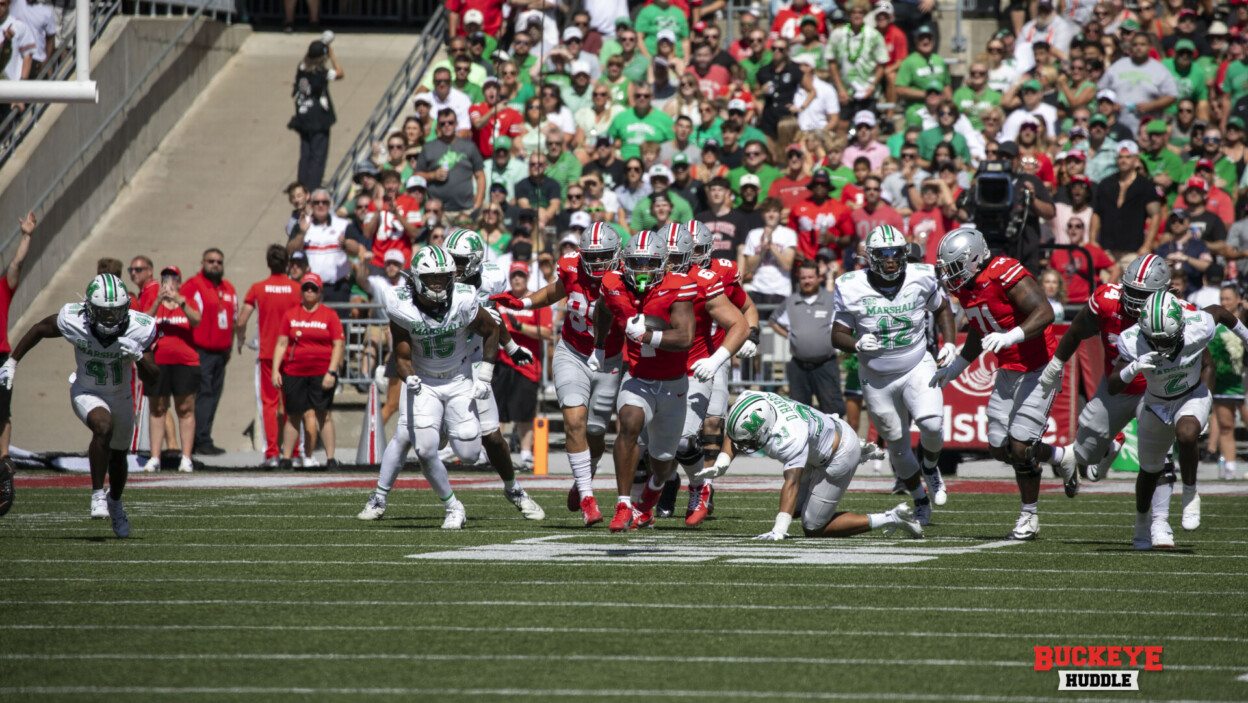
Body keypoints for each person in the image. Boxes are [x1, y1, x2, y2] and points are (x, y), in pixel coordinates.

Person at [929, 227, 1075, 541]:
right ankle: (1061, 456)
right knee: (999, 448)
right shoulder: (967, 288)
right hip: (1008, 368)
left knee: (1021, 446)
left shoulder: (1003, 273)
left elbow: (1044, 311)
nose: (950, 276)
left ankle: (1029, 518)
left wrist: (1011, 336)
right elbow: (981, 332)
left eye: (954, 267)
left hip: (1040, 366)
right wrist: (954, 370)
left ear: (974, 259)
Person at [355, 246, 501, 528]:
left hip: (458, 378)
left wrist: (485, 374)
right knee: (421, 447)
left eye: (443, 277)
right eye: (431, 278)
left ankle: (444, 425)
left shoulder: (463, 298)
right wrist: (408, 376)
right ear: (418, 278)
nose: (438, 283)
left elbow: (492, 329)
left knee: (470, 455)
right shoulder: (401, 304)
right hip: (425, 381)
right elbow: (401, 352)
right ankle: (452, 506)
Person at [2, 274, 158, 536]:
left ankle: (115, 502)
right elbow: (40, 328)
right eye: (103, 313)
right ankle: (98, 494)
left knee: (119, 456)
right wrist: (13, 361)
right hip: (87, 390)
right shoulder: (74, 319)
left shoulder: (139, 327)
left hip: (120, 396)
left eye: (115, 312)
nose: (109, 319)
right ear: (89, 308)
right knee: (103, 426)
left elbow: (154, 377)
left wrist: (140, 356)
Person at [492, 223, 626, 525]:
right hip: (573, 351)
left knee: (595, 432)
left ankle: (583, 477)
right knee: (573, 420)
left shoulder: (625, 276)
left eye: (603, 255)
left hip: (610, 358)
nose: (596, 262)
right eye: (591, 255)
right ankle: (588, 499)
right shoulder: (571, 266)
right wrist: (522, 303)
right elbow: (557, 291)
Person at [832, 225, 957, 522]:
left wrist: (949, 341)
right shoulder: (849, 285)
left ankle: (930, 466)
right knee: (897, 446)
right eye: (883, 254)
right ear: (870, 257)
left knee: (931, 423)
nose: (890, 259)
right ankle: (919, 500)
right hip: (876, 377)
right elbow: (837, 335)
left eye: (896, 253)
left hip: (916, 364)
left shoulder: (922, 276)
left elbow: (942, 310)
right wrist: (857, 342)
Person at [1110, 292, 1248, 547]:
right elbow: (1112, 386)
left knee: (1186, 434)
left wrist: (1245, 336)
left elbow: (1220, 311)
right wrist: (1133, 367)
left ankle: (1190, 492)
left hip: (1192, 393)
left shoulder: (1198, 325)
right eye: (1155, 340)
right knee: (1150, 470)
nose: (1162, 346)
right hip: (1156, 401)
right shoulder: (1132, 341)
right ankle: (1142, 520)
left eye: (1167, 339)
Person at [701, 390, 922, 540]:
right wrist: (723, 461)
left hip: (838, 455)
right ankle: (859, 449)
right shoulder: (753, 399)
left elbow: (792, 482)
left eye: (750, 440)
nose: (743, 445)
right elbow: (735, 431)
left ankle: (892, 517)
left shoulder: (788, 437)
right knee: (796, 509)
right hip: (822, 435)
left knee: (813, 527)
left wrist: (780, 528)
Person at [593, 232, 697, 532]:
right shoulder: (613, 283)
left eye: (648, 262)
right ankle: (624, 504)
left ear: (663, 263)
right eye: (635, 262)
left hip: (673, 384)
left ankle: (652, 491)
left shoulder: (677, 286)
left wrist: (649, 336)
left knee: (663, 462)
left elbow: (685, 337)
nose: (640, 269)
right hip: (638, 377)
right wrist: (600, 346)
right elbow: (602, 308)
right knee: (628, 424)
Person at [1041, 255, 1168, 492]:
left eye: (1144, 295)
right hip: (1115, 386)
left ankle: (1157, 521)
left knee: (1157, 458)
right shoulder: (1106, 300)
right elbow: (1076, 331)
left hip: (1155, 389)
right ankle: (1112, 445)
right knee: (1084, 454)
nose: (1137, 300)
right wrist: (1055, 365)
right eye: (1132, 291)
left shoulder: (1170, 310)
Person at [443, 229, 545, 518]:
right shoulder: (438, 280)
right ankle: (380, 495)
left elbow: (492, 324)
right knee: (413, 439)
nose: (453, 266)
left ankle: (512, 487)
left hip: (475, 361)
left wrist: (511, 348)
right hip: (439, 364)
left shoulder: (491, 279)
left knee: (490, 437)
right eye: (450, 258)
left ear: (475, 261)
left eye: (460, 260)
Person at [659, 224, 749, 526]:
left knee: (708, 425)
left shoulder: (715, 275)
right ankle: (668, 484)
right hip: (665, 360)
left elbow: (744, 310)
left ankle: (704, 487)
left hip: (709, 357)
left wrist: (753, 336)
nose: (687, 257)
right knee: (649, 439)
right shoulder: (654, 274)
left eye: (697, 250)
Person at [236, 245, 303, 467]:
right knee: (293, 403)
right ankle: (294, 452)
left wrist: (240, 339)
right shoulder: (297, 288)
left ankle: (272, 452)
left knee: (269, 403)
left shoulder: (258, 288)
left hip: (267, 352)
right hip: (292, 353)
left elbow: (242, 319)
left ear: (268, 263)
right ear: (287, 263)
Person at [271, 273, 344, 469]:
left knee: (323, 414)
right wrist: (275, 369)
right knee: (293, 414)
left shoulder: (329, 315)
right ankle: (286, 458)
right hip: (294, 371)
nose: (309, 291)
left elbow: (338, 345)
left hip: (321, 372)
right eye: (306, 288)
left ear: (320, 291)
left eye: (313, 288)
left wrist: (332, 372)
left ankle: (330, 458)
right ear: (301, 291)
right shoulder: (290, 314)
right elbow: (281, 343)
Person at [140, 265, 201, 474]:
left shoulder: (187, 300)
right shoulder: (153, 301)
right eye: (165, 277)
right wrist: (158, 300)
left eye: (173, 277)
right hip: (158, 363)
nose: (169, 281)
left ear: (179, 281)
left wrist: (179, 300)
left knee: (184, 409)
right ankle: (155, 457)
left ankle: (186, 458)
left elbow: (196, 319)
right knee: (157, 409)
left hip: (185, 363)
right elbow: (144, 321)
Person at [180, 249, 237, 456]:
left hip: (221, 353)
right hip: (200, 350)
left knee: (213, 395)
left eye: (219, 262)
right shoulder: (193, 285)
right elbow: (183, 312)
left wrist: (230, 346)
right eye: (211, 261)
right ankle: (199, 440)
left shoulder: (228, 288)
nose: (215, 265)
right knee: (203, 394)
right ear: (202, 262)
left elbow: (233, 320)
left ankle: (204, 436)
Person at [495, 261, 552, 469]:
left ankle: (526, 454)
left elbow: (547, 332)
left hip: (528, 365)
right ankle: (496, 453)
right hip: (501, 362)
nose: (517, 279)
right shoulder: (502, 300)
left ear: (528, 277)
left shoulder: (536, 299)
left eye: (521, 275)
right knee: (497, 412)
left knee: (525, 413)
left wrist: (519, 326)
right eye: (513, 276)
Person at [769, 261, 845, 415]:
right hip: (798, 367)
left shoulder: (831, 299)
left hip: (826, 366)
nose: (807, 281)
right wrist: (791, 335)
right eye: (803, 278)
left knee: (833, 412)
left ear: (818, 278)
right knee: (798, 413)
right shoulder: (791, 301)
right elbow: (773, 321)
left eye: (811, 277)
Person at [0, 211, 34, 462]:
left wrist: (26, 237)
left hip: (1, 355)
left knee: (2, 411)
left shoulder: (2, 288)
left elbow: (16, 265)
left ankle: (3, 459)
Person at [414, 108, 486, 224]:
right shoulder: (428, 148)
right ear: (438, 126)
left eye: (450, 122)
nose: (447, 126)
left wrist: (478, 204)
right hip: (439, 212)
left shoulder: (469, 147)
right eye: (443, 123)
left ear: (456, 124)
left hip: (466, 210)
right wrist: (433, 175)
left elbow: (480, 176)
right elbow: (416, 175)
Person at [288, 39, 343, 190]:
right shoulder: (322, 73)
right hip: (318, 119)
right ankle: (312, 187)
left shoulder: (301, 67)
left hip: (303, 117)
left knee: (306, 152)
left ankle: (302, 183)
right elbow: (340, 73)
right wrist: (332, 57)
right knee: (318, 154)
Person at [1090, 141, 1160, 258]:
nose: (1123, 160)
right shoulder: (1106, 184)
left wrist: (1147, 244)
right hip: (1107, 250)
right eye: (1120, 157)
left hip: (1133, 251)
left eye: (1128, 157)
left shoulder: (1145, 185)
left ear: (1135, 159)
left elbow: (1156, 215)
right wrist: (1092, 240)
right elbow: (1097, 213)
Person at [1099, 33, 1177, 133]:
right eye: (1135, 45)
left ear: (1149, 46)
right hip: (1118, 125)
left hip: (1147, 129)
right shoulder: (1119, 65)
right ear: (1131, 47)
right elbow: (1101, 88)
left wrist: (1152, 105)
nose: (1138, 48)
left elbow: (1172, 95)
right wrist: (1111, 103)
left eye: (1142, 44)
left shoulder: (1159, 69)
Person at [1210, 284, 1247, 480]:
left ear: (1238, 299)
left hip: (1244, 379)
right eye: (1222, 299)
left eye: (1228, 299)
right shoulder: (1216, 322)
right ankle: (1230, 470)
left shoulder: (1245, 318)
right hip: (1224, 381)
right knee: (1226, 425)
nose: (1224, 303)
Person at [741, 198, 798, 304]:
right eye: (768, 211)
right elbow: (750, 267)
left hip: (781, 291)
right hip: (757, 290)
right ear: (762, 214)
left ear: (780, 214)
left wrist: (771, 245)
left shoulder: (789, 234)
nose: (771, 215)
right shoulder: (753, 234)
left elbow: (787, 266)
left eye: (775, 211)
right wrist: (762, 250)